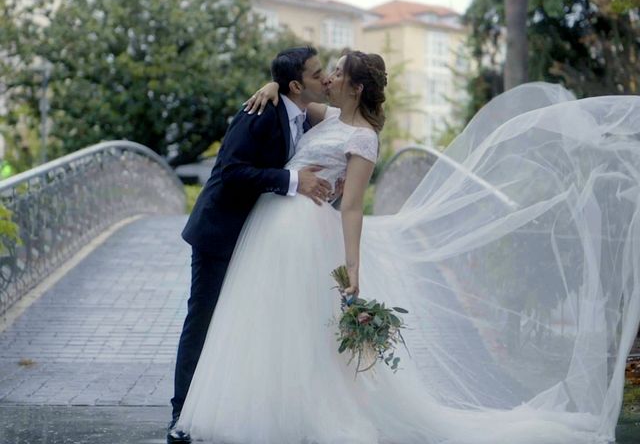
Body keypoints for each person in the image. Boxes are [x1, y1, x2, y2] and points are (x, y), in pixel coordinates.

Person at [177, 51, 640, 443]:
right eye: (325, 72)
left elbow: (353, 207)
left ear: (356, 88)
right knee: (266, 325)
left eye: (337, 72)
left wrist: (351, 267)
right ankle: (258, 406)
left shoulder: (362, 137)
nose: (329, 77)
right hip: (271, 229)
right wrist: (272, 85)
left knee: (301, 327)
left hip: (303, 233)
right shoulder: (326, 114)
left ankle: (302, 414)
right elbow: (293, 98)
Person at [168, 46, 334, 444]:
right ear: (296, 84)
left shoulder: (305, 115)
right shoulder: (257, 112)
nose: (325, 78)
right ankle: (181, 416)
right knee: (204, 320)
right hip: (221, 232)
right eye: (317, 73)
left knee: (242, 325)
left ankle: (227, 407)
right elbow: (231, 170)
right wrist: (295, 182)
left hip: (259, 240)